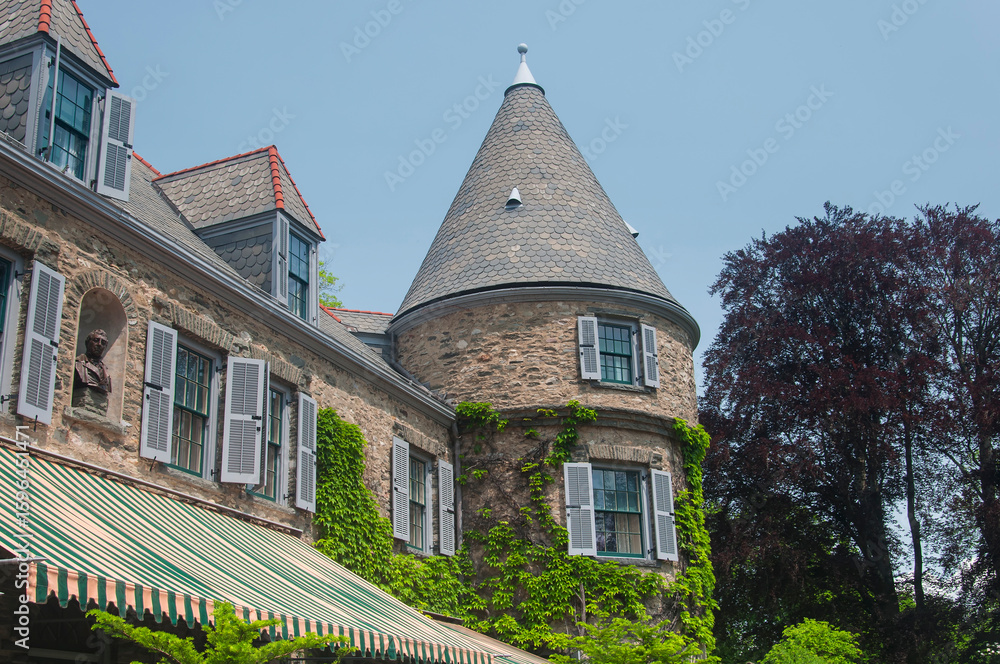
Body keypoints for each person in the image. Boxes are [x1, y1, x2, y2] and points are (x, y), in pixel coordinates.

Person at [73, 329, 112, 413]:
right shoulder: (79, 363)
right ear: (88, 342)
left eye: (103, 343)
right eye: (96, 340)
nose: (99, 345)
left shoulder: (105, 370)